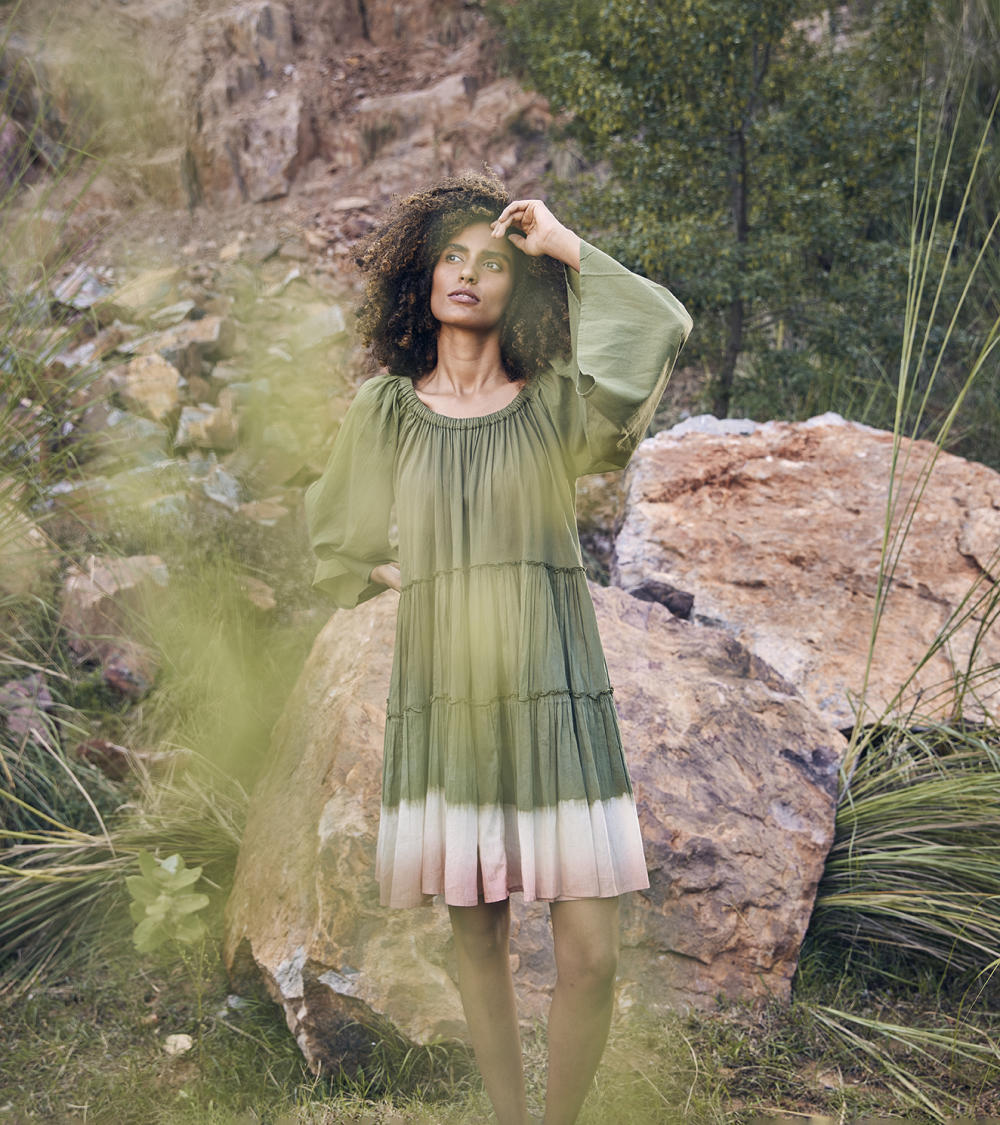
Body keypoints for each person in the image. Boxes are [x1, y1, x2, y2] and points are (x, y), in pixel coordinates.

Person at [303, 172, 692, 1125]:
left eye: (492, 261)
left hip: (556, 687)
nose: (470, 273)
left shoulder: (555, 406)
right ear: (422, 278)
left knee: (591, 954)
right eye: (452, 256)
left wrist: (559, 241)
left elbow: (661, 324)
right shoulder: (387, 411)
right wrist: (397, 577)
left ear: (521, 291)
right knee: (477, 944)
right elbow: (336, 540)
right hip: (452, 696)